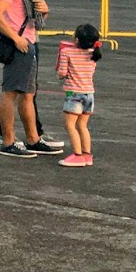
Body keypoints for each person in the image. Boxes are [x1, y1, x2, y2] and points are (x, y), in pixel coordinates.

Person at [0, 0, 65, 156]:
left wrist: (44, 11)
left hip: (29, 43)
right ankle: (8, 141)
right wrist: (16, 38)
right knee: (11, 92)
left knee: (28, 94)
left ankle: (33, 138)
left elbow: (31, 15)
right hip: (19, 45)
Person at [55, 25, 102, 168]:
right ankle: (87, 154)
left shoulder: (67, 52)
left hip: (74, 93)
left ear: (76, 39)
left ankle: (77, 155)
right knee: (82, 125)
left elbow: (62, 73)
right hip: (89, 93)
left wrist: (59, 74)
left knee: (70, 125)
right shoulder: (94, 54)